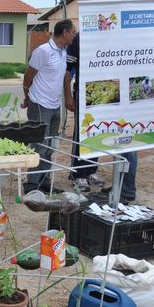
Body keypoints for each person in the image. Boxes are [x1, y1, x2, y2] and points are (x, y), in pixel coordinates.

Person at [22, 19, 76, 193]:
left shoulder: (63, 52)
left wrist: (68, 98)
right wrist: (27, 97)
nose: (74, 35)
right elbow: (28, 77)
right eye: (73, 32)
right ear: (65, 32)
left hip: (54, 106)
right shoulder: (43, 51)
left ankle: (44, 181)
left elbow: (65, 76)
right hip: (40, 105)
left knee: (50, 145)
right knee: (39, 145)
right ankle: (31, 184)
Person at [66, 33, 105, 191]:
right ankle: (78, 174)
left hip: (104, 92)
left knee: (98, 132)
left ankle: (91, 171)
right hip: (83, 93)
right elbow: (67, 70)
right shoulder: (78, 39)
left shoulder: (108, 37)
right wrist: (68, 96)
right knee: (83, 133)